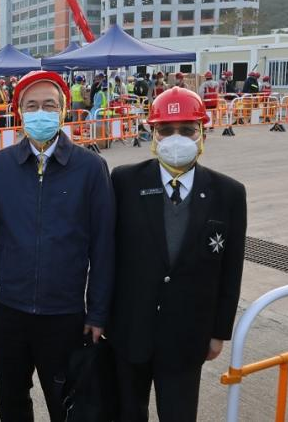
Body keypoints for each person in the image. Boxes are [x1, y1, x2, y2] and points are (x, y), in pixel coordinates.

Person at [0, 71, 115, 422]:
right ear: (19, 112)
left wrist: (97, 313)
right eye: (31, 105)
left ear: (63, 112)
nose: (40, 112)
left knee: (65, 403)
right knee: (12, 402)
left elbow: (104, 246)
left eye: (49, 105)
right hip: (9, 312)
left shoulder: (90, 168)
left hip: (64, 316)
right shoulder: (0, 167)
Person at [109, 87, 246, 422]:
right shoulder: (124, 182)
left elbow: (231, 269)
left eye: (187, 130)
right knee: (128, 412)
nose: (176, 138)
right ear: (152, 133)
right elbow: (107, 256)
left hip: (188, 336)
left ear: (202, 132)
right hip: (130, 331)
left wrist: (219, 332)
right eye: (166, 130)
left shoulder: (228, 193)